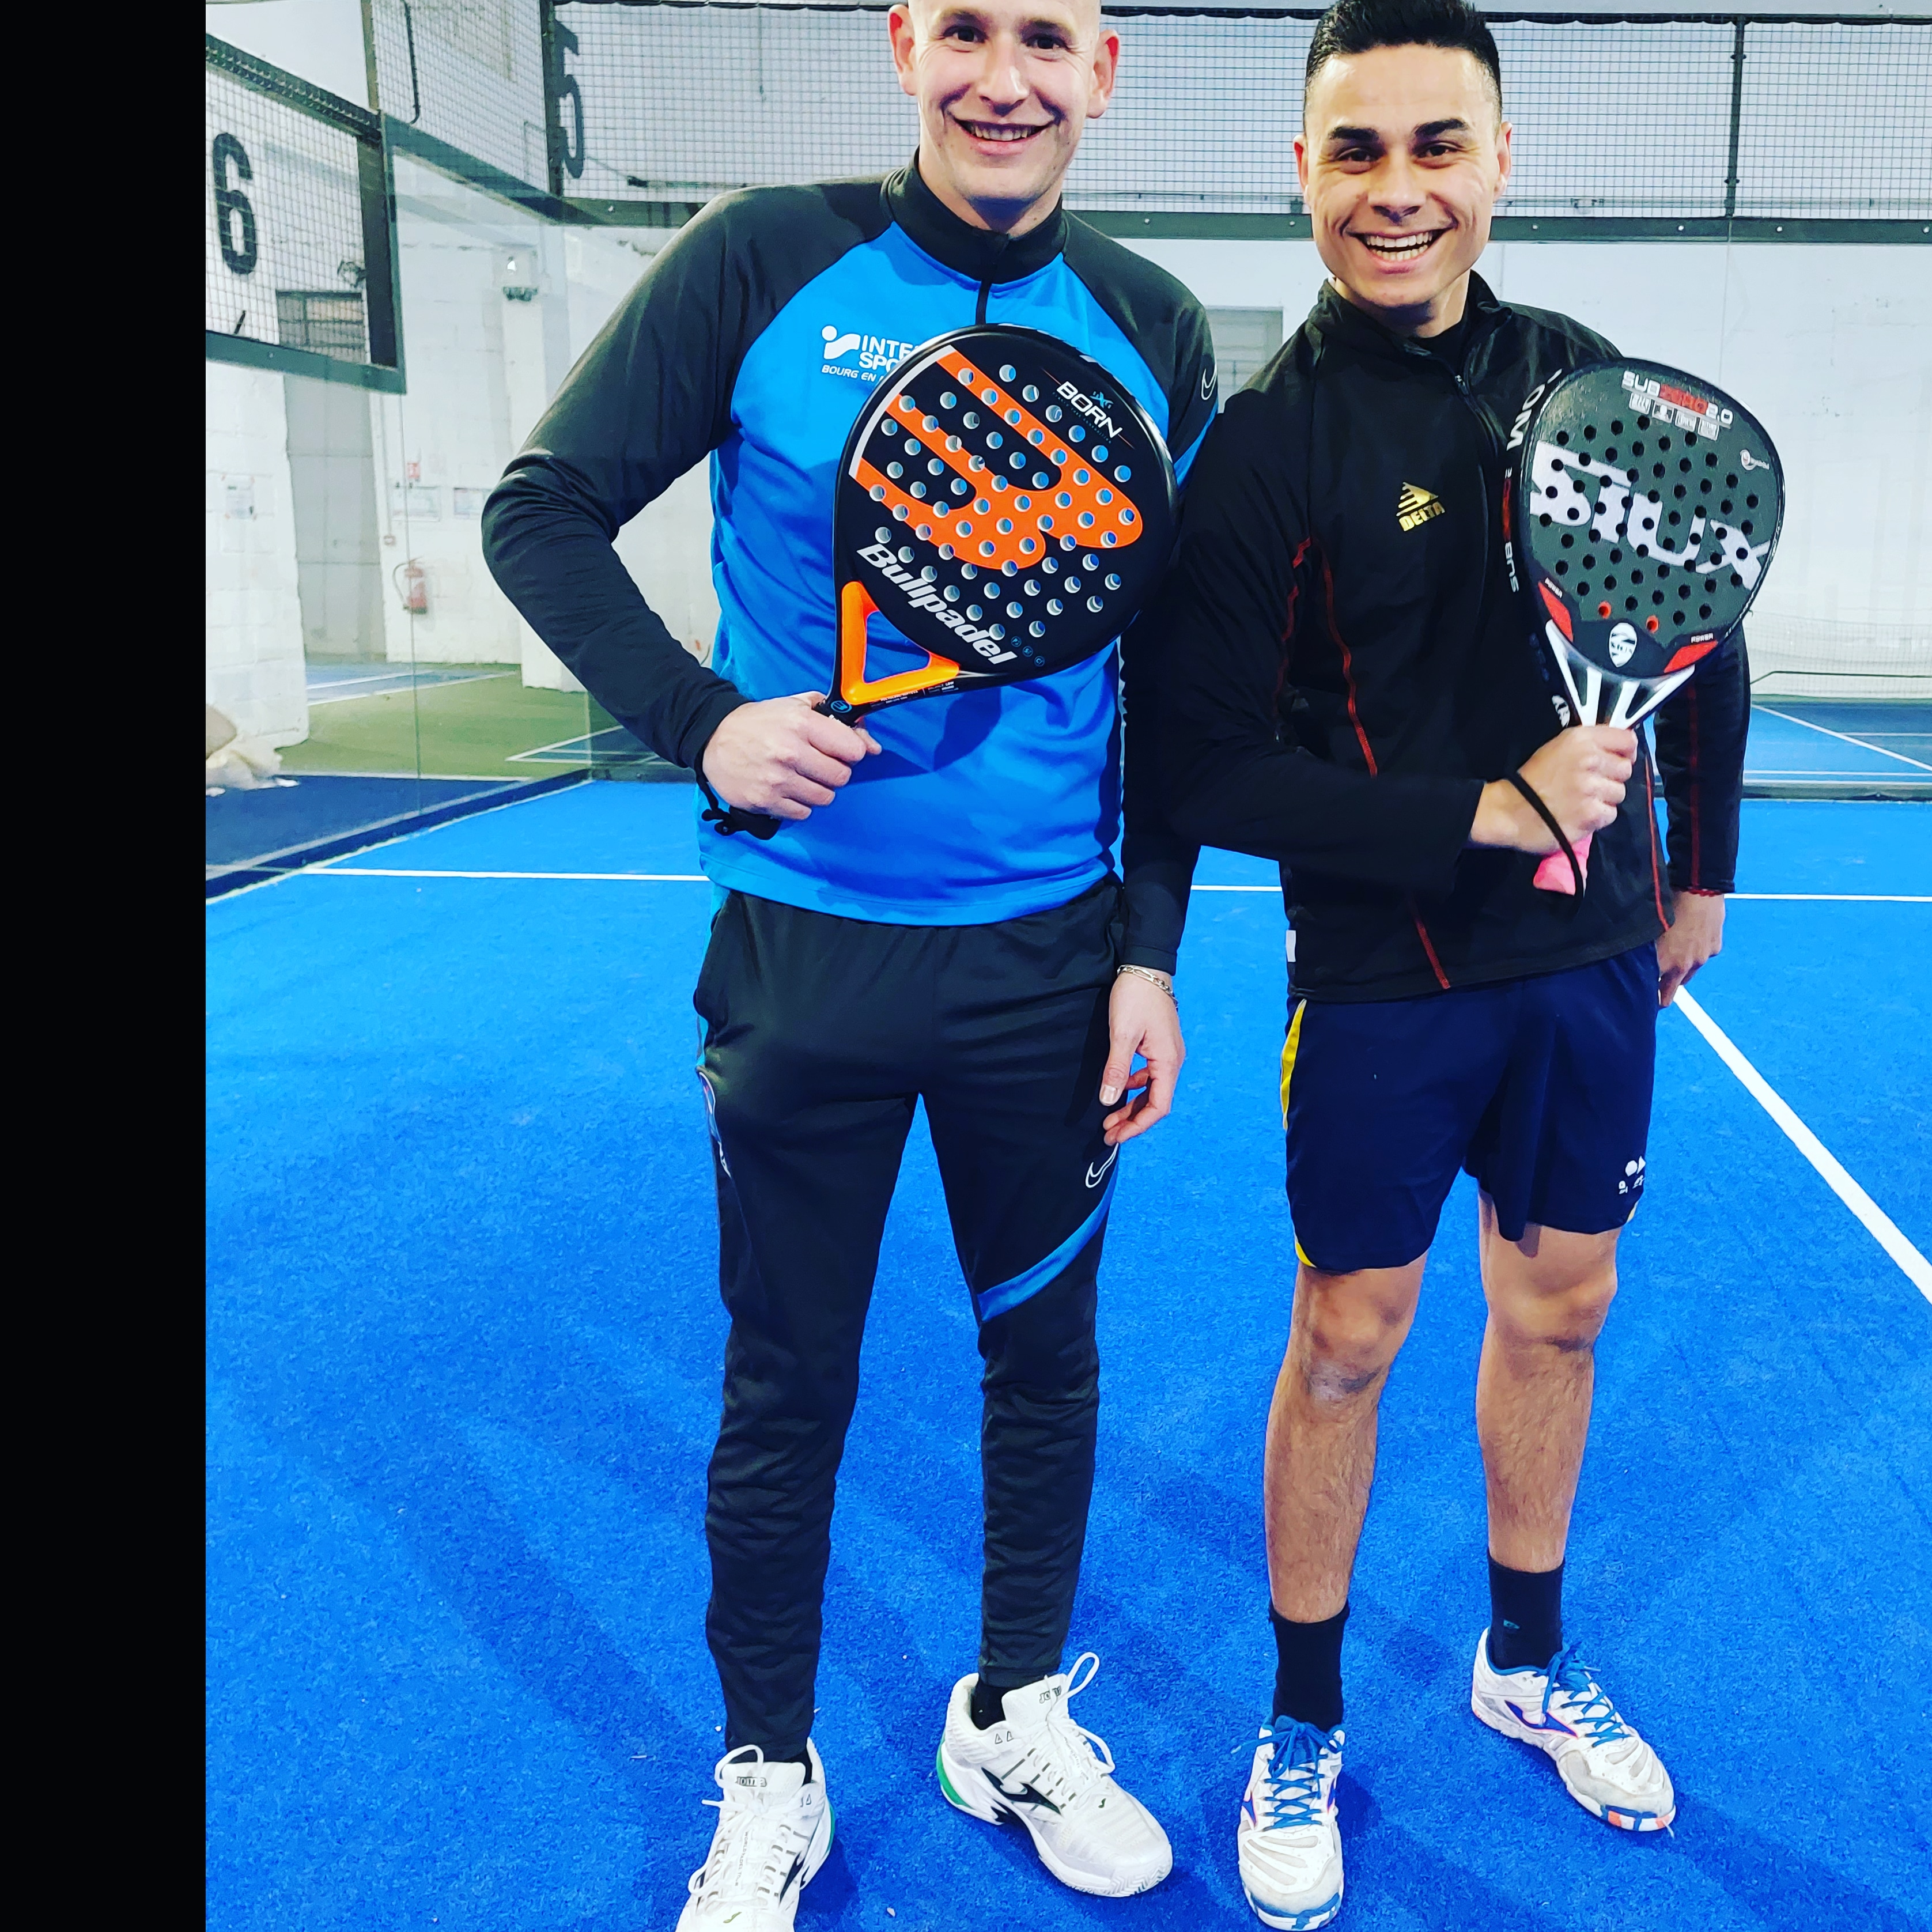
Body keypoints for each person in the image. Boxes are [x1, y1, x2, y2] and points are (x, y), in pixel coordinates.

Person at [483, 4, 1218, 1925]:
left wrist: (1148, 949)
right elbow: (539, 509)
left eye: (1047, 38)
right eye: (965, 28)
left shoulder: (1152, 325)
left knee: (1041, 1360)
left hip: (1048, 966)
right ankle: (770, 1770)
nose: (1003, 77)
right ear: (904, 42)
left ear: (1106, 68)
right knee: (786, 1377)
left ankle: (1013, 1711)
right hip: (803, 956)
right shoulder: (758, 259)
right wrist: (699, 720)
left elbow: (1172, 679)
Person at [1141, 1, 1746, 1923]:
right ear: (1301, 173)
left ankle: (1524, 1660)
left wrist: (1699, 873)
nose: (1395, 191)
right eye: (1355, 150)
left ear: (1497, 164)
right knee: (1348, 1337)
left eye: (1434, 146)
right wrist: (1484, 809)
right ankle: (1302, 1716)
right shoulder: (1262, 447)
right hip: (1387, 974)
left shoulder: (1583, 379)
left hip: (1589, 960)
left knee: (1561, 1307)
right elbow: (1202, 765)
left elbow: (1700, 624)